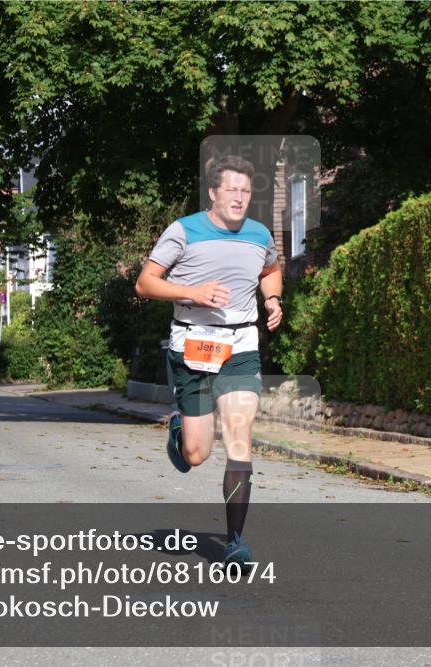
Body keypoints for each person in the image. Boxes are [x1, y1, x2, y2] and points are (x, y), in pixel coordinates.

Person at [134, 154, 283, 569]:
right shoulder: (183, 231)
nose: (239, 197)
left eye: (246, 191)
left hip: (241, 345)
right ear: (213, 192)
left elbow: (270, 269)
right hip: (193, 345)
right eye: (231, 189)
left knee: (239, 437)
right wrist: (194, 292)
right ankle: (181, 427)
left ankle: (235, 541)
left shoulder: (259, 234)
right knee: (196, 454)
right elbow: (145, 283)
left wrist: (272, 298)